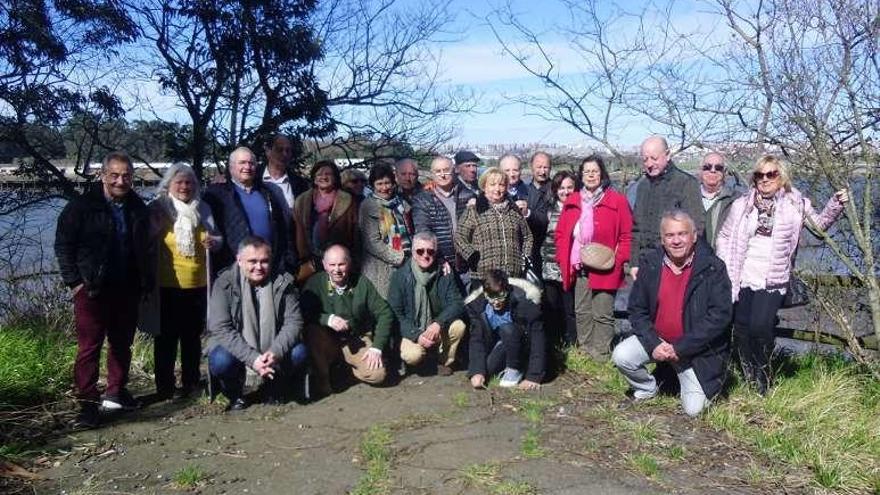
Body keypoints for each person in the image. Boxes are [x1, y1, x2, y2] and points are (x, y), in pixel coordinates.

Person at [716, 155, 848, 394]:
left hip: (773, 277)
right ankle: (749, 376)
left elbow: (818, 227)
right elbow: (724, 237)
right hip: (743, 275)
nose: (765, 179)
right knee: (742, 328)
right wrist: (726, 266)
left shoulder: (795, 203)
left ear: (781, 176)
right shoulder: (742, 205)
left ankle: (763, 376)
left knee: (760, 327)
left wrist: (835, 205)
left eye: (771, 174)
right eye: (760, 175)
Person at [55, 151, 154, 428]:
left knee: (122, 344)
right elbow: (63, 245)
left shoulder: (138, 208)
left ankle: (116, 391)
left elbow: (145, 247)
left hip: (127, 288)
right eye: (114, 175)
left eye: (126, 176)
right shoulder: (82, 207)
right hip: (92, 289)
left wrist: (145, 280)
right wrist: (74, 283)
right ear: (103, 176)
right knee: (89, 348)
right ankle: (87, 405)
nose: (120, 181)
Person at [612, 210, 732, 417]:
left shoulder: (713, 268)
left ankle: (683, 376)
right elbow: (637, 310)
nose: (676, 241)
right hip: (658, 341)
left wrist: (681, 347)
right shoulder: (650, 263)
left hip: (694, 350)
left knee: (694, 410)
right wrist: (653, 343)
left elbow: (719, 317)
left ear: (694, 236)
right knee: (622, 355)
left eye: (682, 234)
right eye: (670, 235)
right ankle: (648, 388)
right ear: (662, 239)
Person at [206, 236, 307, 410]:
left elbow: (294, 322)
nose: (259, 267)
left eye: (264, 261)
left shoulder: (283, 282)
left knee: (299, 352)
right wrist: (253, 359)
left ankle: (274, 388)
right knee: (221, 360)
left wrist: (275, 352)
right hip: (237, 348)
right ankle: (235, 394)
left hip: (273, 347)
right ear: (239, 260)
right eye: (252, 261)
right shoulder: (224, 284)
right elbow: (221, 328)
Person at [148, 163, 222, 400]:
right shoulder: (160, 208)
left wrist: (214, 242)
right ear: (169, 184)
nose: (184, 187)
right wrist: (153, 230)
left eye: (189, 182)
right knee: (166, 338)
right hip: (167, 285)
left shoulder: (204, 208)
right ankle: (165, 387)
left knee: (192, 337)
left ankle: (191, 382)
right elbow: (144, 238)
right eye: (179, 182)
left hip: (198, 284)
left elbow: (218, 237)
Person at [555, 156, 632, 357]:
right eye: (586, 171)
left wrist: (619, 259)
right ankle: (586, 350)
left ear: (602, 174)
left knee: (603, 313)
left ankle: (601, 355)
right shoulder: (572, 202)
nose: (590, 175)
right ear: (581, 175)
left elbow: (627, 235)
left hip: (607, 266)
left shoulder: (617, 201)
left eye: (595, 171)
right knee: (582, 311)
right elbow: (561, 233)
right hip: (580, 265)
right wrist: (562, 256)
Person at [301, 245, 395, 396]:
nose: (337, 270)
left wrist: (377, 347)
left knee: (378, 375)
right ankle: (323, 381)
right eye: (332, 265)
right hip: (327, 340)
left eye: (341, 264)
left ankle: (346, 371)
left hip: (354, 340)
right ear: (324, 265)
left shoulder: (361, 283)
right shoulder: (314, 284)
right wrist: (327, 319)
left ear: (349, 264)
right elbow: (303, 313)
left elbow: (385, 313)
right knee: (312, 332)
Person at [203, 146, 295, 274]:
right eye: (242, 163)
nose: (247, 167)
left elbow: (283, 227)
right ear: (231, 167)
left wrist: (288, 261)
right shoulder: (217, 194)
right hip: (233, 269)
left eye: (251, 163)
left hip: (267, 266)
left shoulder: (269, 192)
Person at [387, 232, 467, 375]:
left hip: (436, 326)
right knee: (413, 355)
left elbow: (457, 303)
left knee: (458, 327)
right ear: (412, 252)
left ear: (436, 253)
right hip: (412, 329)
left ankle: (443, 361)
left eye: (430, 251)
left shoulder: (445, 272)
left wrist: (438, 323)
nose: (425, 255)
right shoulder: (400, 276)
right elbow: (395, 313)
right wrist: (417, 335)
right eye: (420, 251)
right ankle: (420, 363)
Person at [629, 136, 704, 280]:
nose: (649, 164)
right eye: (645, 159)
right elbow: (636, 228)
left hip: (676, 265)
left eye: (654, 158)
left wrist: (681, 263)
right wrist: (634, 262)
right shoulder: (642, 187)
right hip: (645, 264)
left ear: (667, 155)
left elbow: (696, 228)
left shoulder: (686, 183)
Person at [466, 269, 545, 390]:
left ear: (507, 290)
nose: (496, 302)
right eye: (491, 297)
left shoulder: (525, 300)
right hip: (500, 345)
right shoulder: (478, 306)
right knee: (488, 370)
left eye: (500, 296)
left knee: (506, 329)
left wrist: (534, 376)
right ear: (485, 294)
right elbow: (477, 339)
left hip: (522, 345)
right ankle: (505, 367)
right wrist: (477, 371)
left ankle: (516, 368)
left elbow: (537, 338)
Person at [455, 167, 534, 287]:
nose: (497, 189)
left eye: (502, 185)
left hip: (513, 276)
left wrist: (525, 257)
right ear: (484, 186)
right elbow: (459, 237)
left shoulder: (514, 211)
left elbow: (527, 236)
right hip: (483, 276)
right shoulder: (475, 209)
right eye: (492, 184)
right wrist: (472, 256)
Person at [293, 161, 359, 278]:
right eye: (319, 174)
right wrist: (302, 258)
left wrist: (352, 259)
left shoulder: (347, 200)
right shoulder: (302, 201)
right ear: (314, 178)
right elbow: (297, 231)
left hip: (339, 261)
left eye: (328, 174)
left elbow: (355, 232)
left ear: (335, 178)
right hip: (310, 261)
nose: (323, 177)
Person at [411, 155, 476, 273]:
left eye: (446, 170)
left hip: (468, 263)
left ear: (454, 170)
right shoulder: (422, 200)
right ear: (432, 174)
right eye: (438, 171)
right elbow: (423, 231)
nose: (442, 174)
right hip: (442, 264)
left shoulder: (468, 196)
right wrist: (439, 259)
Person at [359, 163, 414, 298]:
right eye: (379, 184)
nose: (384, 188)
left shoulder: (401, 203)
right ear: (373, 185)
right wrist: (397, 257)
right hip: (382, 266)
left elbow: (411, 230)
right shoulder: (368, 206)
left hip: (408, 261)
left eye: (387, 183)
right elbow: (372, 242)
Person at [540, 170, 578, 347]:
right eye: (561, 188)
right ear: (555, 190)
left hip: (571, 267)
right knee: (551, 306)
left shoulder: (580, 209)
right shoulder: (548, 210)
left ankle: (572, 343)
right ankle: (554, 343)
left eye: (570, 187)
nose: (566, 191)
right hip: (549, 266)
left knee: (570, 308)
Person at [699, 152, 740, 250]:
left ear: (724, 172)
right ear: (700, 170)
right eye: (707, 167)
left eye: (718, 168)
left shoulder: (737, 200)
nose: (713, 171)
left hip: (722, 260)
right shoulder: (687, 196)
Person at [260, 134, 311, 214]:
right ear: (268, 152)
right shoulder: (254, 180)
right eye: (279, 150)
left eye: (288, 150)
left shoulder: (300, 184)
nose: (285, 154)